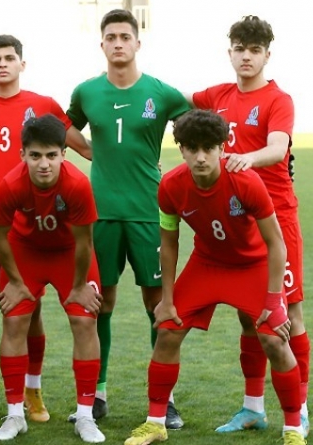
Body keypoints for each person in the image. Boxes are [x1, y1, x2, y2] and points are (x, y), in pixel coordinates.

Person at [123, 109, 304, 445]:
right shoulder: (170, 186)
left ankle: (293, 429)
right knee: (167, 330)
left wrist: (274, 301)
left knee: (274, 339)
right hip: (207, 264)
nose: (201, 157)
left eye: (209, 148)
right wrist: (167, 299)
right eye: (192, 148)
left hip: (253, 266)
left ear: (222, 147)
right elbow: (169, 243)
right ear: (181, 149)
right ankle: (155, 423)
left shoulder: (246, 181)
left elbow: (276, 243)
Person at [0, 34, 91, 422]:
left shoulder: (44, 105)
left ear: (22, 64)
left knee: (29, 310)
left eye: (9, 58)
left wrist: (134, 160)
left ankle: (32, 390)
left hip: (28, 231)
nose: (3, 64)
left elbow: (83, 147)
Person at [64, 8, 190, 428]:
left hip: (148, 213)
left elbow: (196, 126)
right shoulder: (86, 91)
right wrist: (89, 151)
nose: (118, 43)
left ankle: (164, 399)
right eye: (111, 37)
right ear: (101, 44)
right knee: (101, 302)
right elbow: (64, 127)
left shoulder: (162, 93)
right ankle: (96, 394)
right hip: (99, 214)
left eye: (125, 37)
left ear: (138, 42)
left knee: (158, 304)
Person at [187, 15, 309, 436]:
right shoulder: (216, 96)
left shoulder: (278, 100)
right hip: (238, 221)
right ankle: (253, 407)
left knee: (289, 313)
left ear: (266, 56)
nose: (246, 56)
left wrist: (246, 159)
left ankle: (301, 407)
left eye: (255, 50)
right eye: (240, 49)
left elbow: (277, 148)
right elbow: (172, 100)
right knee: (247, 316)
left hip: (277, 217)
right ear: (230, 52)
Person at [0, 115, 105, 443]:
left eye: (52, 155)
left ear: (63, 154)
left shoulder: (77, 184)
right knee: (14, 321)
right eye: (36, 155)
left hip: (68, 253)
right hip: (25, 251)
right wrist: (15, 281)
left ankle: (85, 416)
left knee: (84, 321)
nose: (44, 164)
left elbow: (84, 242)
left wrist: (79, 287)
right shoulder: (11, 184)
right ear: (23, 154)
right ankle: (15, 414)